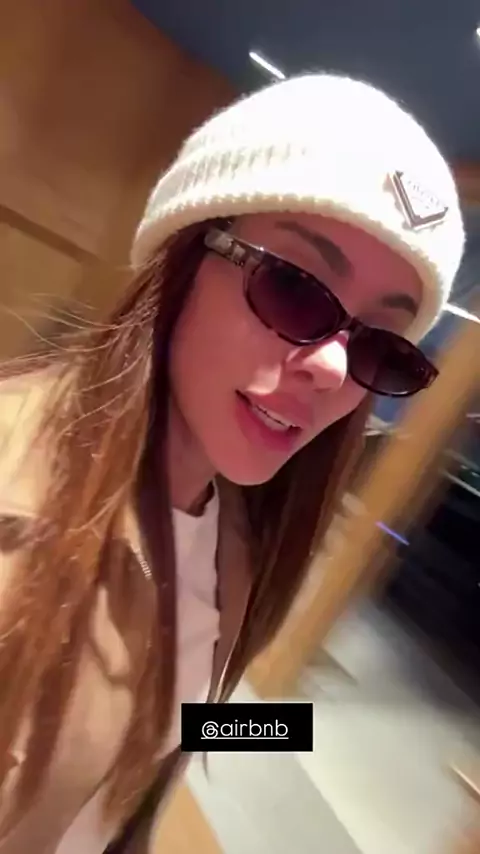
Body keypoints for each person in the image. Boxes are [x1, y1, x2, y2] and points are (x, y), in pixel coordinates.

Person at [0, 72, 464, 852]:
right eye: (294, 289)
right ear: (185, 254)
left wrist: (274, 730)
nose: (332, 368)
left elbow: (165, 725)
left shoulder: (235, 535)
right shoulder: (18, 523)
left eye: (380, 348)